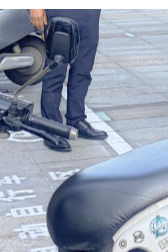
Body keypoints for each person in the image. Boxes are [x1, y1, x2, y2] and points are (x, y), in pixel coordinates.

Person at [30, 9, 107, 152]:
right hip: (60, 11)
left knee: (83, 70)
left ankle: (76, 119)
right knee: (55, 72)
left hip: (90, 14)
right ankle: (51, 127)